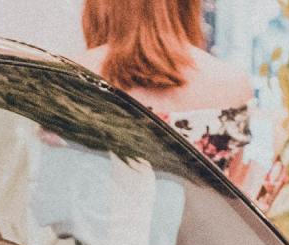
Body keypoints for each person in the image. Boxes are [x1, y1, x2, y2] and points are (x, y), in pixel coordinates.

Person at [80, 0, 276, 200]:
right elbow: (230, 206)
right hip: (198, 231)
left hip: (94, 230)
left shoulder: (76, 73)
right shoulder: (234, 86)